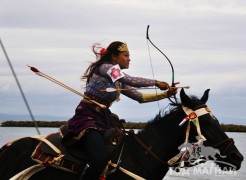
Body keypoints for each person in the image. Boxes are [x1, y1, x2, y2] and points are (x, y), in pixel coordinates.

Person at [61, 41, 178, 180]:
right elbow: (132, 80)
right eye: (126, 55)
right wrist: (156, 82)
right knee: (100, 159)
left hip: (103, 118)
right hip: (88, 118)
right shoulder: (106, 68)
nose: (129, 59)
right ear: (114, 57)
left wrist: (165, 95)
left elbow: (139, 97)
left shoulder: (118, 80)